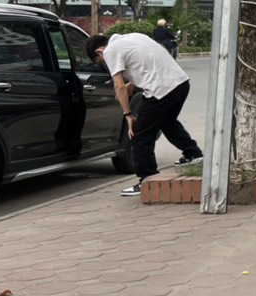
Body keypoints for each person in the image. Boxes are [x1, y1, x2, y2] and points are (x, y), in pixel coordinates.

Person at [87, 32, 203, 197]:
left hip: (161, 90)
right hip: (181, 83)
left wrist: (128, 114)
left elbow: (118, 87)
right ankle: (194, 154)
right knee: (167, 121)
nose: (105, 63)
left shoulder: (110, 51)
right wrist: (132, 84)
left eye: (101, 62)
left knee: (140, 134)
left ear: (99, 52)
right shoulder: (135, 37)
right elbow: (146, 63)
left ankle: (147, 179)